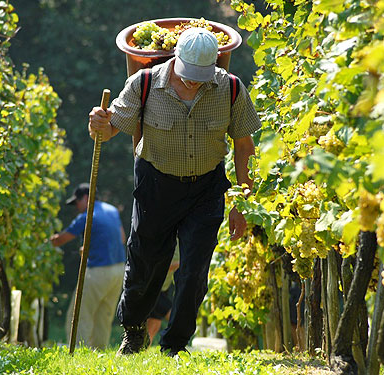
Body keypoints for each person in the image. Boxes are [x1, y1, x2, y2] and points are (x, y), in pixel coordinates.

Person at [88, 27, 261, 356]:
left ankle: (175, 344)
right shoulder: (145, 83)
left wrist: (242, 202)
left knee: (194, 270)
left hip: (207, 188)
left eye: (200, 76)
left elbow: (244, 147)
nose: (193, 82)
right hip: (156, 183)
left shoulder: (231, 88)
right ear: (175, 60)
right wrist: (97, 123)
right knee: (145, 262)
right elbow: (110, 129)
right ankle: (135, 331)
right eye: (188, 75)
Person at [50, 183, 126, 349]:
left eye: (77, 202)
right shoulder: (112, 210)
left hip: (98, 271)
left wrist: (45, 242)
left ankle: (77, 351)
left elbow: (61, 240)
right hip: (119, 270)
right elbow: (121, 238)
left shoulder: (87, 216)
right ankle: (99, 351)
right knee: (103, 315)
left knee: (78, 314)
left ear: (86, 198)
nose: (76, 207)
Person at [146, 247, 179, 346]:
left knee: (154, 322)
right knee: (174, 316)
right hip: (152, 285)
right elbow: (159, 265)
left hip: (164, 287)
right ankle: (175, 348)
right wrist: (183, 264)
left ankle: (142, 351)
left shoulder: (182, 238)